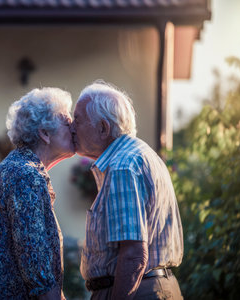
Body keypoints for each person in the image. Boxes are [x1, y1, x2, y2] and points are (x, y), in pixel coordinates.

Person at [71, 81, 184, 299]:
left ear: (103, 128)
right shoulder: (140, 154)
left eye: (77, 119)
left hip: (135, 291)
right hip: (153, 287)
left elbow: (133, 256)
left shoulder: (122, 166)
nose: (71, 127)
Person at [0, 87, 74, 300]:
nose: (74, 128)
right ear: (45, 134)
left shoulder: (18, 168)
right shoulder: (25, 175)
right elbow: (37, 266)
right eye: (67, 122)